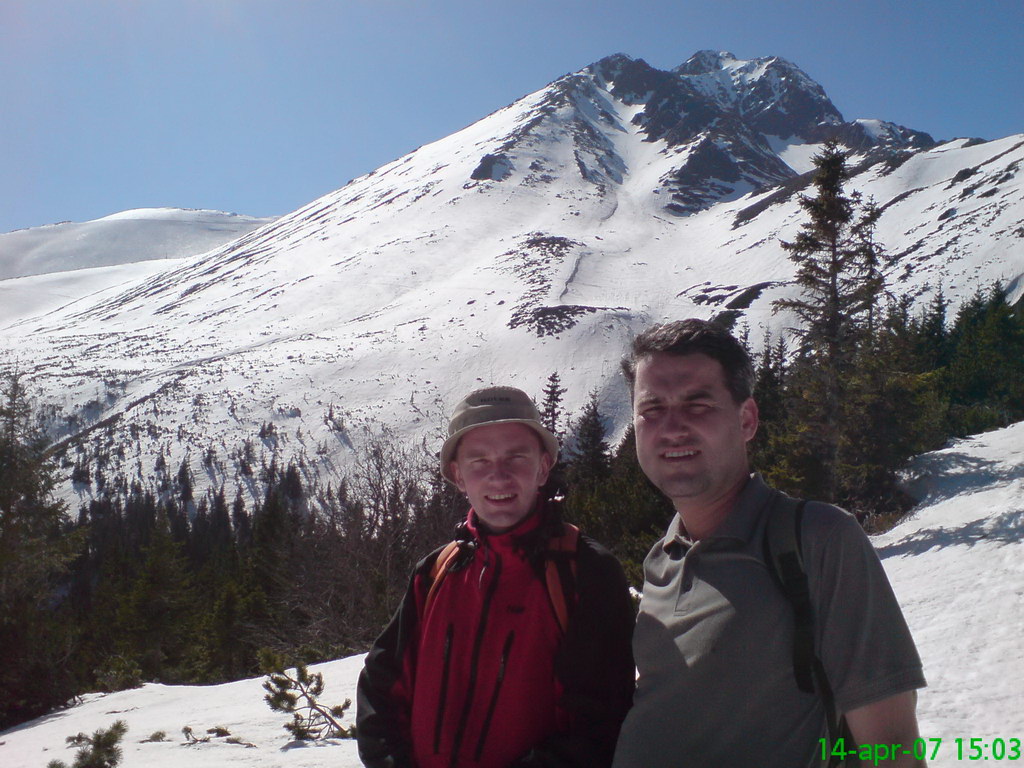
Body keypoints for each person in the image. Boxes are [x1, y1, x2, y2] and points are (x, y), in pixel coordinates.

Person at [611, 320, 927, 768]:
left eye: (698, 404)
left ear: (746, 420)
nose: (672, 427)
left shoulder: (817, 538)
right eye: (652, 409)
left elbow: (892, 746)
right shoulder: (662, 556)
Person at [357, 386, 636, 768]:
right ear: (458, 475)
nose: (498, 476)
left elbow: (600, 723)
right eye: (479, 461)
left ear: (543, 467)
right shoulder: (437, 571)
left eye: (516, 458)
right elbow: (383, 687)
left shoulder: (583, 570)